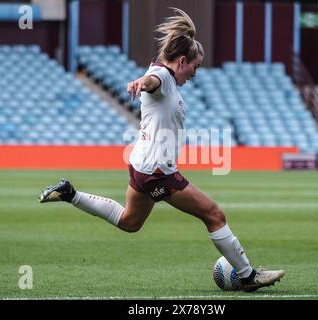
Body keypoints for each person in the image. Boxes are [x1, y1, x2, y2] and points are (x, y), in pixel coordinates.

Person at [39, 8, 284, 292]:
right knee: (214, 215)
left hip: (141, 165)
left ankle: (71, 193)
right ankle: (247, 275)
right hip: (157, 171)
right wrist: (140, 83)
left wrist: (145, 81)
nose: (195, 73)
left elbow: (154, 80)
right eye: (195, 66)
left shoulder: (164, 75)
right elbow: (152, 82)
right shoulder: (163, 76)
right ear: (182, 61)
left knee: (130, 222)